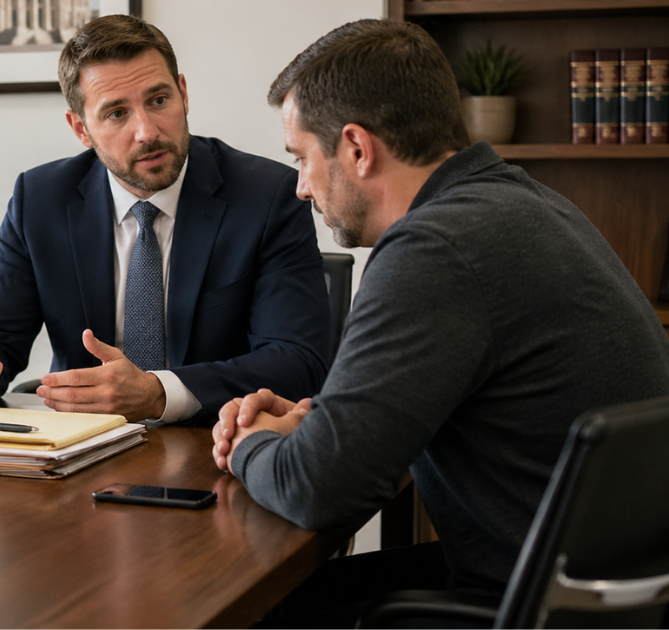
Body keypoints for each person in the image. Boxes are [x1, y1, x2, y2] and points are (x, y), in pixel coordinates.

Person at [210, 18, 669, 627]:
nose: (300, 187)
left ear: (356, 148)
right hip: (593, 595)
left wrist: (249, 444)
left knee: (257, 613)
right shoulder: (523, 204)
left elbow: (317, 489)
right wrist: (318, 421)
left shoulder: (434, 249)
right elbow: (433, 390)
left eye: (301, 158)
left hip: (524, 608)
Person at [0, 15, 330, 424]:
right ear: (81, 129)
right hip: (81, 451)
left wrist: (159, 393)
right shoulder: (41, 200)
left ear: (183, 94)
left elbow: (297, 362)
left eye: (158, 100)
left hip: (217, 445)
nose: (146, 131)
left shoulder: (268, 195)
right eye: (117, 113)